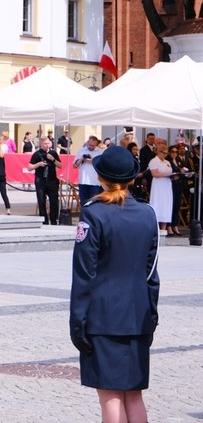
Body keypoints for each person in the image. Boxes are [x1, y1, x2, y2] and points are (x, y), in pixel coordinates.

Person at [69, 146, 159, 423]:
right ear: (132, 178)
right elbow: (152, 274)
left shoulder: (93, 214)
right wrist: (151, 316)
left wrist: (77, 322)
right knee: (133, 394)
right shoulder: (148, 214)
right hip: (137, 315)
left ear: (100, 177)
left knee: (109, 396)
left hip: (103, 318)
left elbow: (84, 274)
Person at [29, 136, 62, 225]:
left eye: (48, 143)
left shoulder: (53, 153)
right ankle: (44, 221)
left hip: (52, 180)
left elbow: (60, 165)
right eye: (45, 144)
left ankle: (54, 220)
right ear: (41, 144)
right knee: (41, 201)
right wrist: (38, 164)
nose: (47, 145)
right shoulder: (37, 154)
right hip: (41, 180)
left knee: (54, 201)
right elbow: (29, 167)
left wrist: (53, 159)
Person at [147, 142, 173, 236]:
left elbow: (170, 171)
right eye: (164, 153)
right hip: (158, 185)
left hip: (167, 185)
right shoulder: (154, 161)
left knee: (166, 204)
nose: (165, 155)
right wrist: (166, 175)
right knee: (158, 203)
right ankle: (156, 227)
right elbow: (154, 174)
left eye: (166, 153)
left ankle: (164, 228)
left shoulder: (167, 162)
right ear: (159, 152)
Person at [74, 135, 105, 206]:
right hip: (83, 181)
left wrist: (92, 160)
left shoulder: (100, 152)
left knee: (93, 204)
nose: (91, 147)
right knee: (83, 203)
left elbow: (103, 166)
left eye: (93, 146)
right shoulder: (81, 150)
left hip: (95, 182)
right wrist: (82, 159)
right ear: (87, 142)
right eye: (90, 145)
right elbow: (74, 166)